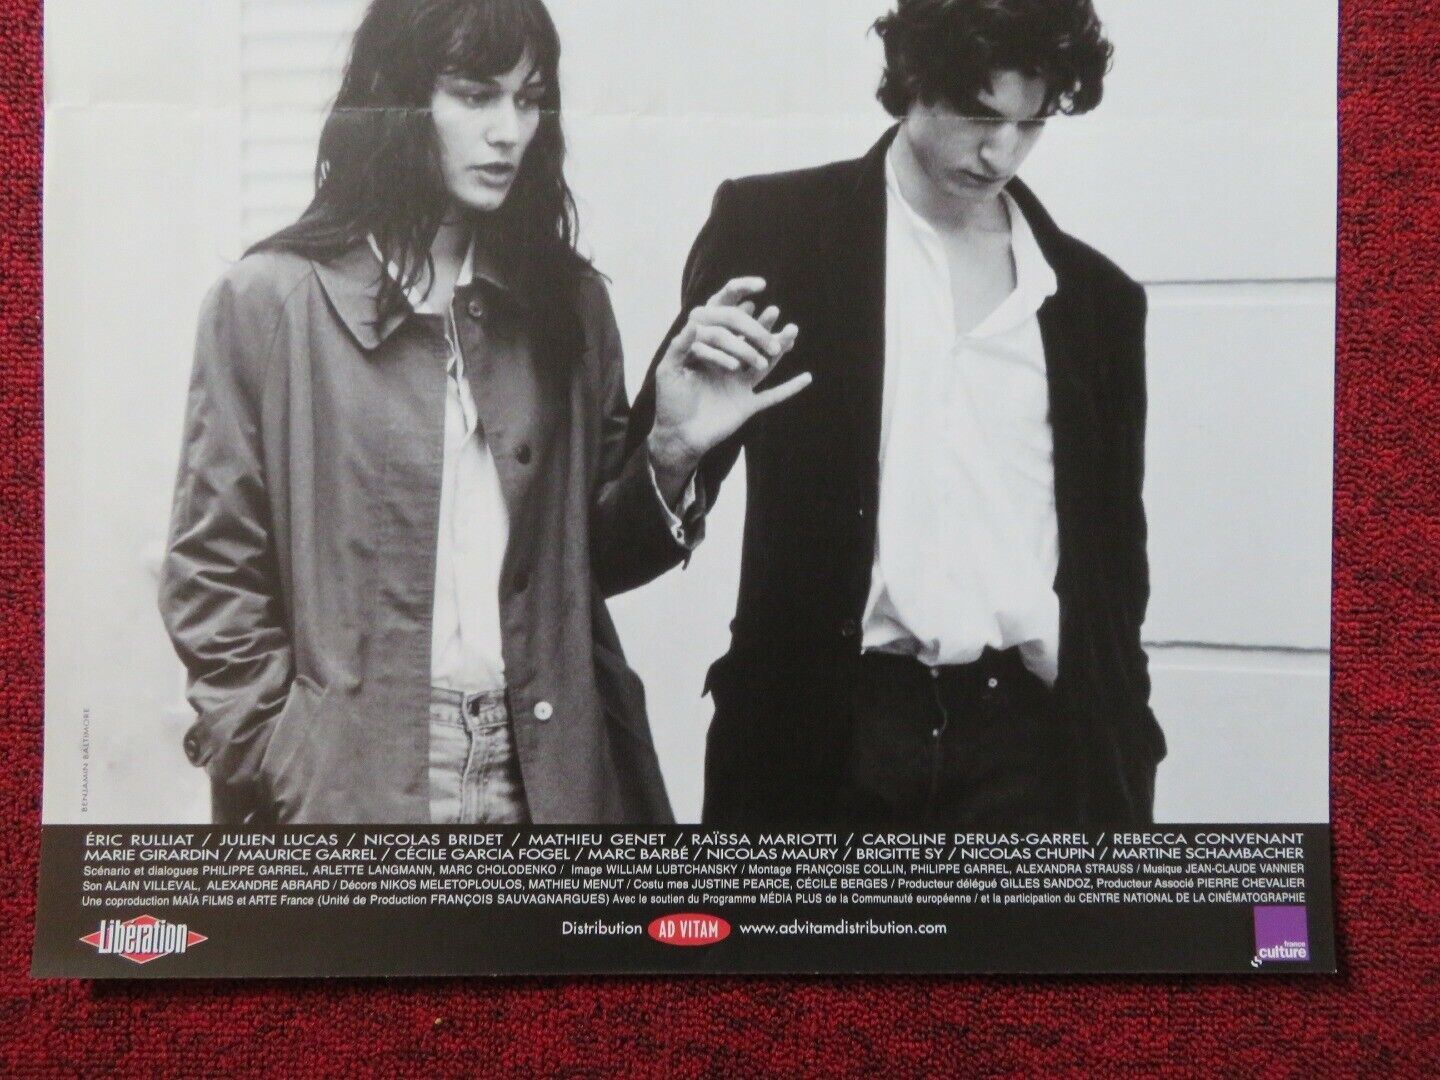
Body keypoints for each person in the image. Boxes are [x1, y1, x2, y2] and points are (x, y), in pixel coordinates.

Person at [159, 0, 801, 825]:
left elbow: (588, 565)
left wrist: (670, 452)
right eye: (475, 96)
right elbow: (212, 573)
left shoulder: (565, 302)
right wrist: (283, 755)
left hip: (551, 771)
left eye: (529, 100)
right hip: (353, 781)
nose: (509, 132)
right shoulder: (269, 303)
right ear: (396, 97)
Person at [630, 0, 1168, 827]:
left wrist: (1125, 759)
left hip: (1031, 753)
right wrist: (669, 454)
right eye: (980, 114)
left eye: (1031, 123)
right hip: (822, 743)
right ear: (915, 77)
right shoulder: (776, 234)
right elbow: (609, 546)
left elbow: (1116, 575)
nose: (1001, 152)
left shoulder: (1096, 301)